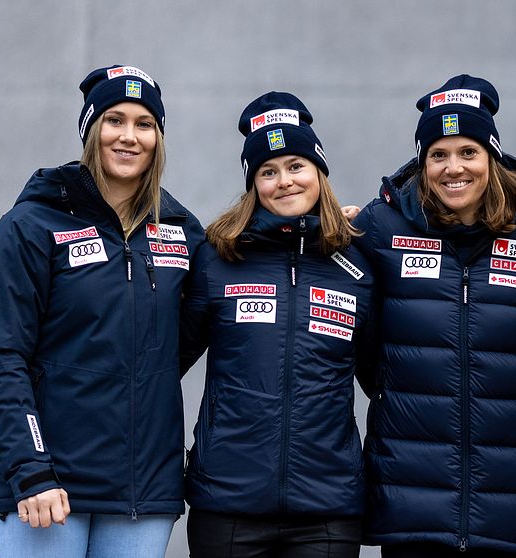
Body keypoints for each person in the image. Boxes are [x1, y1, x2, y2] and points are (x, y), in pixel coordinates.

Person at [0, 65, 203, 556]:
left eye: (145, 124)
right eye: (114, 120)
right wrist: (28, 468)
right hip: (49, 484)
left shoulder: (182, 231)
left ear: (159, 139)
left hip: (143, 492)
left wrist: (327, 229)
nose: (129, 136)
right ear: (91, 130)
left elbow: (240, 282)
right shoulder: (31, 226)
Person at [352, 74, 516, 557]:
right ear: (422, 162)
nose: (454, 168)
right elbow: (363, 348)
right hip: (414, 505)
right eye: (438, 154)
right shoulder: (379, 228)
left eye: (468, 152)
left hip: (514, 506)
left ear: (491, 158)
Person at [180, 91, 373, 558]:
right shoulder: (217, 258)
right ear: (253, 184)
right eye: (268, 171)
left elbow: (388, 377)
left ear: (319, 172)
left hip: (327, 512)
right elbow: (165, 360)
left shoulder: (360, 264)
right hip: (228, 506)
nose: (284, 181)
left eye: (296, 166)